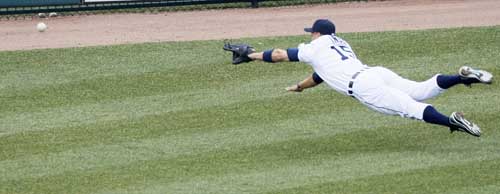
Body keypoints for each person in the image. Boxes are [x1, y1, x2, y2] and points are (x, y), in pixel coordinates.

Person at [230, 19, 493, 137]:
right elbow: (321, 75)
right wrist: (300, 87)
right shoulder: (339, 43)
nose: (310, 35)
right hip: (375, 72)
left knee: (411, 109)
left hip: (366, 87)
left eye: (312, 32)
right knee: (422, 90)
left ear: (318, 34)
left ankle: (453, 122)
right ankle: (461, 77)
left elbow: (278, 54)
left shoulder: (316, 46)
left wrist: (252, 55)